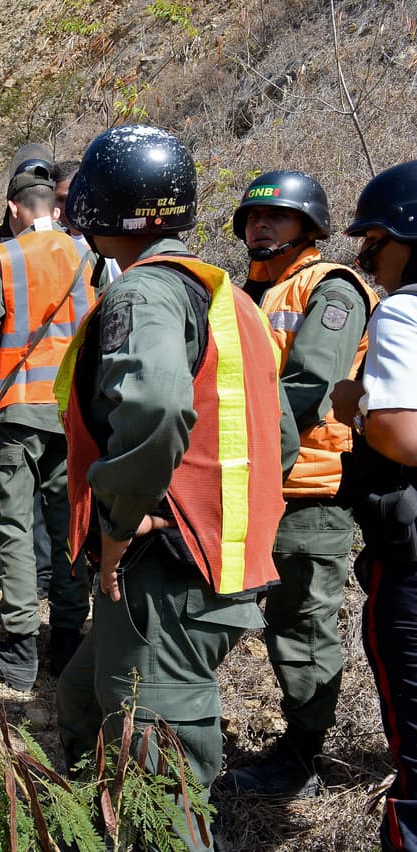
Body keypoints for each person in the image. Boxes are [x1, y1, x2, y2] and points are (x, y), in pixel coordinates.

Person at [53, 125, 299, 851]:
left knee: (157, 791)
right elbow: (278, 437)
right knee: (79, 703)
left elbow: (156, 407)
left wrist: (123, 522)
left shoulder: (147, 291)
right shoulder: (232, 301)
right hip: (212, 573)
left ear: (101, 208)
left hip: (166, 581)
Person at [219, 171, 376, 798]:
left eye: (277, 218)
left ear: (309, 227)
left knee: (302, 629)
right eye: (254, 218)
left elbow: (310, 385)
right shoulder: (240, 294)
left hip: (308, 491)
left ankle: (303, 758)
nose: (261, 226)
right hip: (242, 484)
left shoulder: (330, 288)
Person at [0, 159, 96, 690]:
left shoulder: (5, 256)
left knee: (15, 526)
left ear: (15, 209)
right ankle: (66, 640)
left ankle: (18, 647)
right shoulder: (90, 255)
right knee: (68, 529)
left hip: (18, 412)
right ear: (55, 208)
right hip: (73, 415)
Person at [330, 160, 417, 852]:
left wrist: (359, 406)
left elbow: (399, 431)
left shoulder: (404, 312)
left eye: (377, 241)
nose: (367, 260)